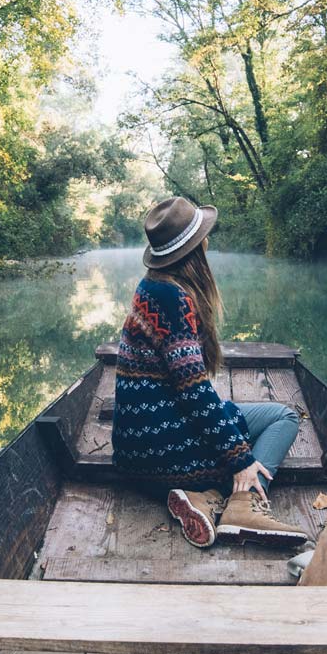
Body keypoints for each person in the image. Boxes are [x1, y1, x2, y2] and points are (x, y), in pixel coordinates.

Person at [110, 196, 309, 549]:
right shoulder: (174, 298)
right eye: (203, 234)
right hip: (165, 453)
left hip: (133, 452)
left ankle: (201, 498)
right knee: (284, 418)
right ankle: (241, 505)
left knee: (232, 415)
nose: (208, 238)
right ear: (194, 247)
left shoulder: (150, 287)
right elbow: (195, 393)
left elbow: (187, 389)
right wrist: (242, 460)